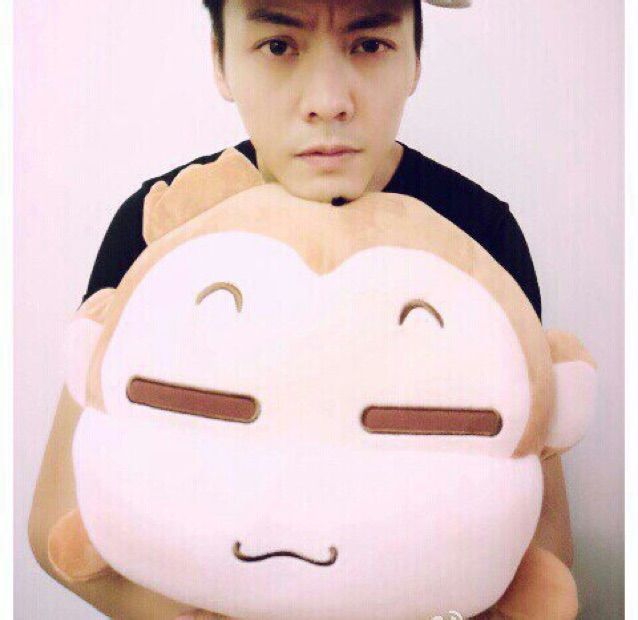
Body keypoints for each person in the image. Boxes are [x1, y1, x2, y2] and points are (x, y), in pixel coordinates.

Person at [33, 1, 574, 618]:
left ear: (416, 60)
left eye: (368, 45)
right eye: (279, 47)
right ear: (221, 60)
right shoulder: (163, 225)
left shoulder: (477, 237)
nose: (328, 101)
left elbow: (544, 542)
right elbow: (54, 520)